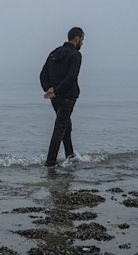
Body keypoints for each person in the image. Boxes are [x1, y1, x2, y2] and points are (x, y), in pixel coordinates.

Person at [40, 27, 84, 166]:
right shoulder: (76, 55)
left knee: (66, 126)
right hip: (67, 97)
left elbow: (43, 74)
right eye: (82, 39)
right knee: (60, 128)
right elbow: (71, 77)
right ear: (76, 38)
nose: (82, 43)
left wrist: (49, 89)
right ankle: (50, 161)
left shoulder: (54, 53)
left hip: (56, 98)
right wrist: (56, 91)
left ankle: (70, 156)